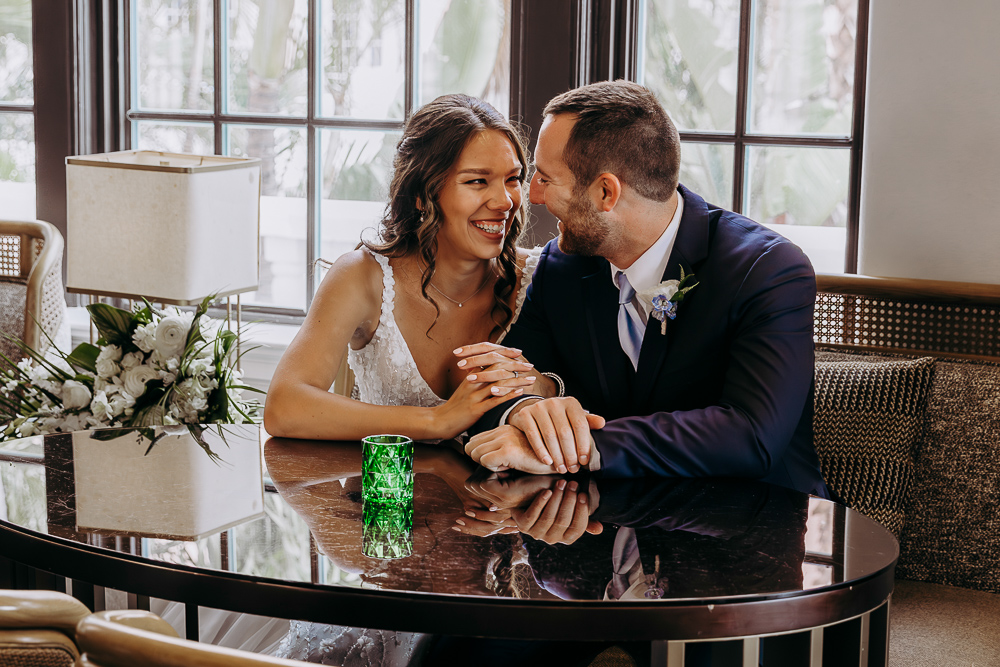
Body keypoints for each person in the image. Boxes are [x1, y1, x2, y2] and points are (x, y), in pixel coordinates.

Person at [465, 80, 830, 499]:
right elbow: (497, 386)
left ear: (606, 191)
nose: (532, 196)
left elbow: (752, 436)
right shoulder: (561, 268)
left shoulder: (767, 270)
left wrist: (585, 447)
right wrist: (529, 412)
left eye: (546, 178)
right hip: (598, 530)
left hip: (751, 529)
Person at [263, 94, 546, 443]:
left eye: (513, 179)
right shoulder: (363, 277)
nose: (504, 201)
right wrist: (436, 421)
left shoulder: (540, 276)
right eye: (476, 181)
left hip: (505, 496)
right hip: (385, 493)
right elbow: (284, 408)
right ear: (421, 193)